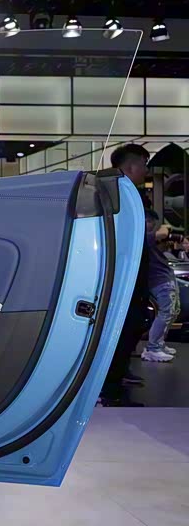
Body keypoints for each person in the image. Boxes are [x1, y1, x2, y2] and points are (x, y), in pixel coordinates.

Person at [100, 144, 151, 406]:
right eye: (144, 165)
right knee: (124, 328)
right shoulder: (120, 195)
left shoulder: (114, 192)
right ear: (132, 166)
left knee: (130, 326)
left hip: (128, 276)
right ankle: (110, 389)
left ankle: (114, 381)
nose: (146, 171)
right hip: (123, 278)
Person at [142, 209, 178, 362]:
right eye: (150, 222)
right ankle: (153, 348)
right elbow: (163, 232)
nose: (152, 225)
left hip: (165, 278)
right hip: (159, 281)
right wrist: (166, 227)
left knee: (173, 312)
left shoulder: (149, 238)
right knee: (166, 312)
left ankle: (159, 344)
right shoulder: (143, 236)